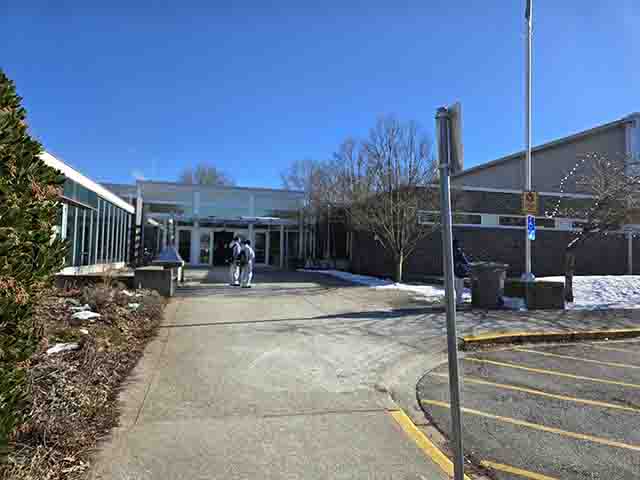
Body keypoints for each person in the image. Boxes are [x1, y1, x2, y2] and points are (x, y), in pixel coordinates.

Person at [453, 238, 471, 305]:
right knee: (460, 288)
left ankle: (456, 302)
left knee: (456, 288)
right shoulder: (458, 251)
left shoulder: (449, 250)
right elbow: (465, 261)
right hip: (459, 273)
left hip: (452, 272)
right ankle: (458, 302)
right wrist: (468, 265)